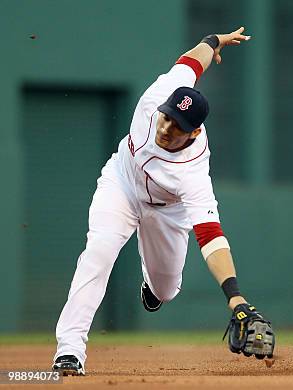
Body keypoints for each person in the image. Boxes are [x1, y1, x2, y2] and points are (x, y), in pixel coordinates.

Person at [52, 27, 274, 376]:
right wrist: (214, 41)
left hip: (166, 211)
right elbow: (191, 62)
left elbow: (211, 235)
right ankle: (70, 348)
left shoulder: (194, 172)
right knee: (99, 251)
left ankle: (153, 287)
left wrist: (236, 297)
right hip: (121, 184)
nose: (167, 127)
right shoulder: (159, 94)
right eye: (168, 115)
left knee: (166, 288)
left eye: (179, 125)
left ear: (195, 132)